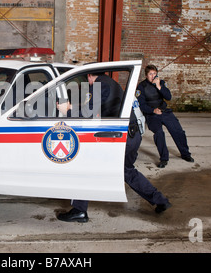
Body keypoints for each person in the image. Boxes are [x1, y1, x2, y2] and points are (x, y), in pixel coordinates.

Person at [56, 72, 172, 223]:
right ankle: (160, 200)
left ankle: (79, 210)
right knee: (128, 171)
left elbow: (89, 113)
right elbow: (95, 107)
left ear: (90, 76)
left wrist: (68, 111)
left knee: (84, 168)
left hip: (120, 137)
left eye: (87, 80)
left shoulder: (99, 84)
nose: (88, 83)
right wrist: (75, 107)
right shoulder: (111, 83)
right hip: (132, 135)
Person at [136, 64, 193, 168]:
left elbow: (168, 97)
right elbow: (141, 105)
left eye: (154, 73)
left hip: (164, 111)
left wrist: (159, 86)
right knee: (159, 133)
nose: (153, 76)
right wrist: (153, 110)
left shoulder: (161, 83)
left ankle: (185, 154)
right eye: (150, 74)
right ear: (146, 75)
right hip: (152, 114)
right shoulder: (141, 87)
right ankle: (164, 158)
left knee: (178, 131)